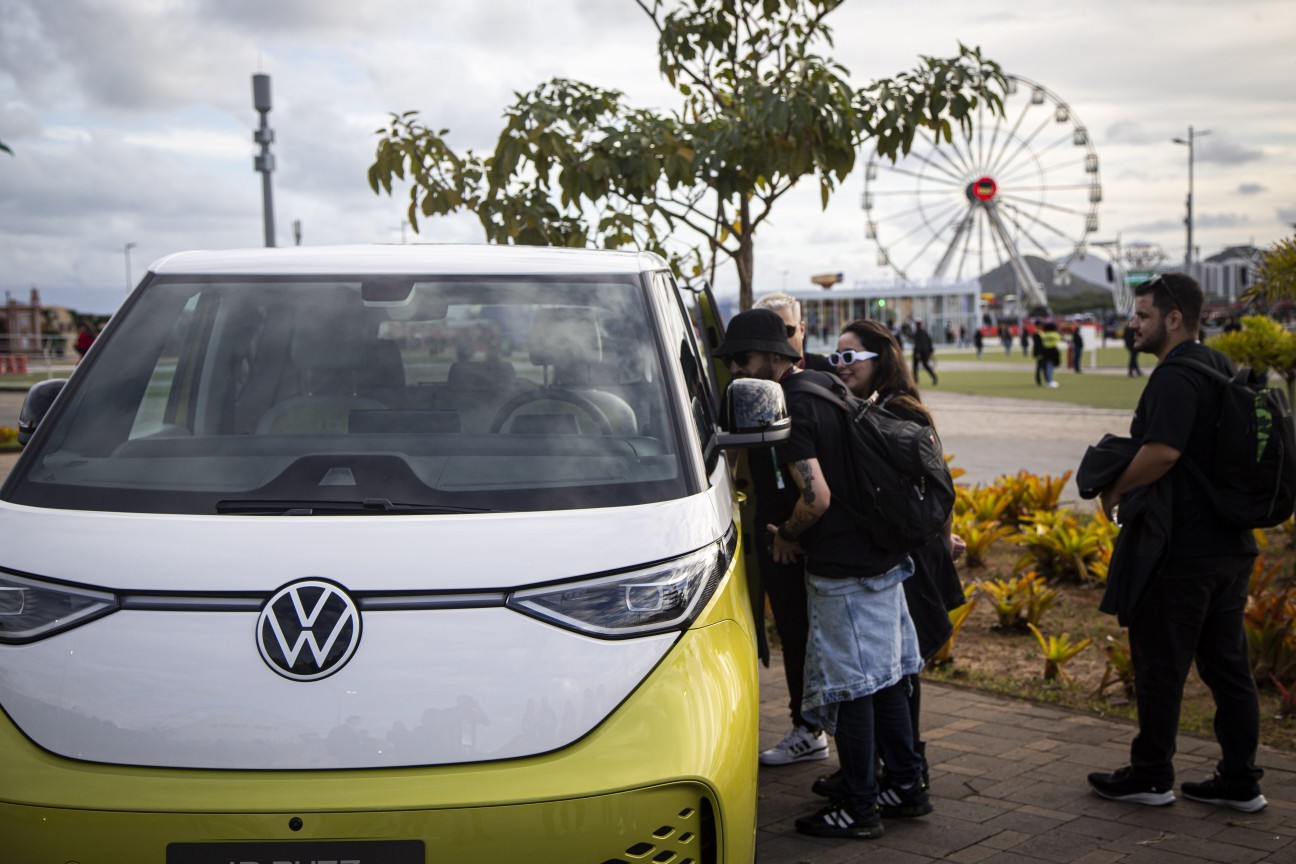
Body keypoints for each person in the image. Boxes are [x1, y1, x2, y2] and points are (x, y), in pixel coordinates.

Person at [716, 309, 927, 840]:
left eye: (743, 359)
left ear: (770, 355)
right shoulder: (825, 385)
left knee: (852, 688)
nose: (738, 370)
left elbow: (817, 497)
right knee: (885, 682)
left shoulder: (790, 405)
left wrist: (787, 533)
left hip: (844, 569)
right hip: (879, 556)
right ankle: (904, 784)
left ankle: (858, 808)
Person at [1088, 273, 1266, 813]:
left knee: (1161, 665)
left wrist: (1115, 488)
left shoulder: (1173, 376)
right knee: (1228, 667)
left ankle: (1151, 774)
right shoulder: (1218, 367)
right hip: (1231, 544)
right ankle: (1240, 780)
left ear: (1172, 319)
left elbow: (1162, 452)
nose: (1133, 325)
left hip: (1183, 548)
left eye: (1142, 315)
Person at [810, 319, 966, 804]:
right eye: (836, 356)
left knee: (899, 672)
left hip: (910, 559)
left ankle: (906, 775)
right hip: (901, 552)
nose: (841, 365)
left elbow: (938, 487)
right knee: (890, 669)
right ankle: (888, 771)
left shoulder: (901, 413)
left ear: (881, 359)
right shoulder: (869, 407)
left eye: (851, 356)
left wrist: (940, 539)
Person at [749, 293, 833, 766]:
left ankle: (825, 726)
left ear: (802, 329)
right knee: (795, 633)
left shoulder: (818, 382)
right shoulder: (749, 385)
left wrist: (795, 529)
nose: (779, 340)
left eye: (787, 329)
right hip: (775, 529)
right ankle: (808, 724)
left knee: (830, 634)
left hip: (811, 529)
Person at [910, 320, 937, 386]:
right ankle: (934, 377)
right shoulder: (925, 332)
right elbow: (929, 341)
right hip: (925, 352)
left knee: (915, 366)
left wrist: (917, 352)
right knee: (925, 365)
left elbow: (918, 343)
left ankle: (916, 380)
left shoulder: (917, 333)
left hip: (919, 352)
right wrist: (930, 351)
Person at [1039, 321, 1062, 388]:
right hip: (1053, 350)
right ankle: (1050, 381)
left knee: (1048, 366)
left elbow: (1043, 342)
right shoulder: (1055, 334)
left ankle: (1049, 380)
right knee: (1051, 367)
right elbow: (1060, 339)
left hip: (1046, 351)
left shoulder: (1044, 335)